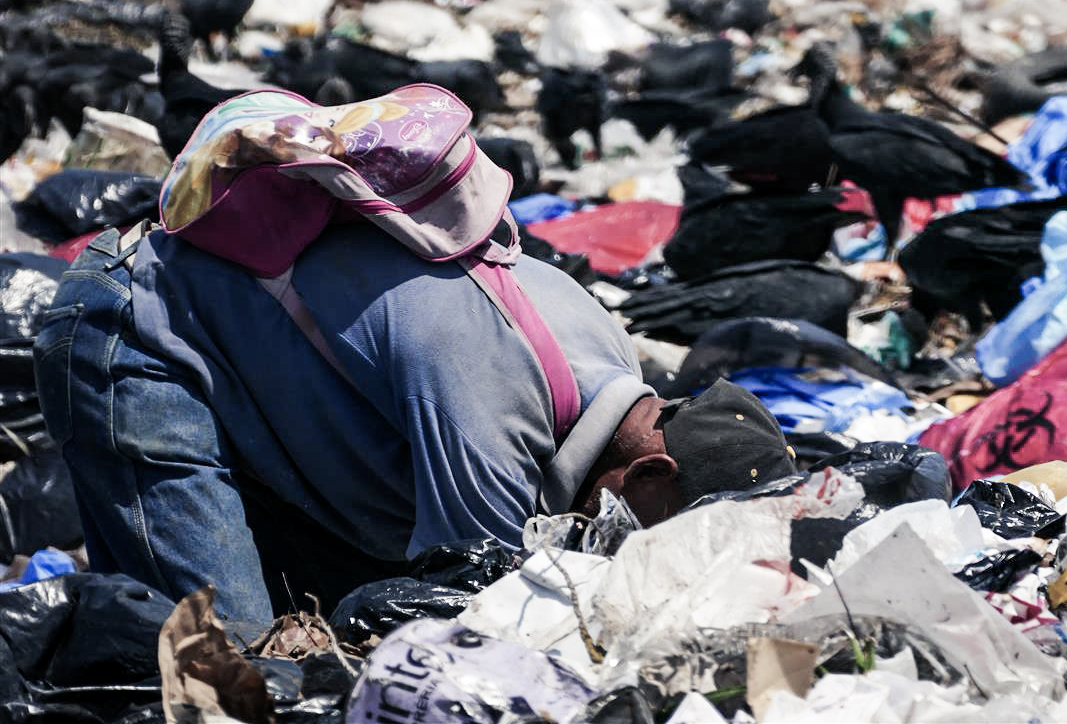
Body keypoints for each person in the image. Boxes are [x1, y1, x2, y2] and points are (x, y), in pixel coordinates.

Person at [33, 220, 797, 623]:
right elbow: (472, 615)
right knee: (229, 664)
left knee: (325, 624)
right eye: (663, 536)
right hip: (137, 329)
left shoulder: (605, 351)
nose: (641, 553)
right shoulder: (493, 422)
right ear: (652, 472)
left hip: (246, 371)